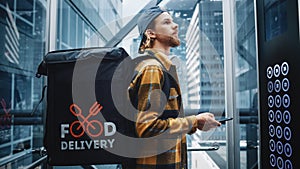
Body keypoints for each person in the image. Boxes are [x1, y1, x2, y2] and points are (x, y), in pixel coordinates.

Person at [126, 6, 221, 169]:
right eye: (167, 22)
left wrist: (194, 123)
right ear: (151, 33)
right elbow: (147, 127)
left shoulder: (161, 67)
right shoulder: (152, 69)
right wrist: (195, 121)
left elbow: (165, 120)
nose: (175, 25)